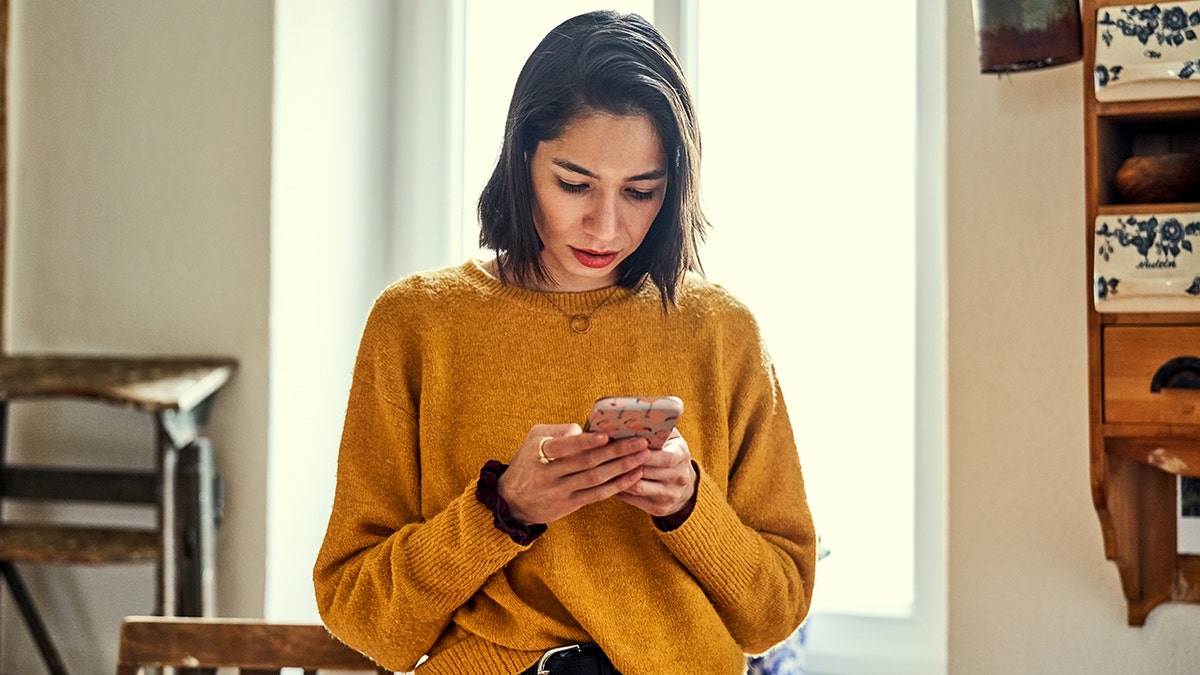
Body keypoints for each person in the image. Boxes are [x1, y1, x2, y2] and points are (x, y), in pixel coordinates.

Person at [313, 10, 816, 675]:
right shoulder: (417, 323)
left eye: (641, 191)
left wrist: (689, 505)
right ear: (522, 159)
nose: (605, 226)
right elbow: (360, 612)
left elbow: (775, 612)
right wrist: (502, 509)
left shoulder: (721, 331)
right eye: (574, 184)